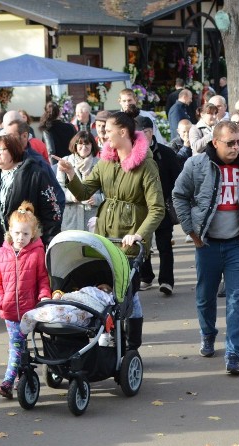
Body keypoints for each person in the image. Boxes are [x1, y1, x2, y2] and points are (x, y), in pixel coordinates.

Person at [57, 111, 165, 352]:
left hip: (130, 239)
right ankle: (107, 337)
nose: (102, 133)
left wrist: (140, 235)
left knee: (128, 292)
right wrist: (71, 174)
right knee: (105, 289)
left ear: (123, 132)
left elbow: (157, 209)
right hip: (106, 235)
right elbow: (84, 193)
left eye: (107, 129)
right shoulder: (106, 161)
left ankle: (132, 344)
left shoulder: (146, 165)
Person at [172, 120, 239, 374]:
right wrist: (191, 232)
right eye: (230, 143)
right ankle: (208, 333)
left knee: (236, 299)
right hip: (208, 243)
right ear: (215, 142)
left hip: (238, 245)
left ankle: (234, 353)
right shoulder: (197, 164)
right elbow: (179, 195)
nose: (236, 147)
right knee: (205, 297)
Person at [0, 134, 62, 296]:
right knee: (2, 287)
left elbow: (51, 209)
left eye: (2, 150)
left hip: (24, 245)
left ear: (14, 151)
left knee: (23, 288)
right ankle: (9, 313)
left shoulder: (34, 173)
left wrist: (48, 240)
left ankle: (20, 317)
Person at [0, 202, 52, 399]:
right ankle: (13, 380)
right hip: (9, 311)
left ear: (33, 233)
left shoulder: (37, 252)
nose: (20, 238)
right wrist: (0, 300)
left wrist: (44, 296)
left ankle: (14, 378)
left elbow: (42, 277)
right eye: (17, 233)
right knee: (17, 345)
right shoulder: (0, 254)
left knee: (18, 345)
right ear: (10, 231)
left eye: (25, 234)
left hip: (29, 310)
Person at [135, 115, 181, 295]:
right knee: (142, 243)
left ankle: (166, 280)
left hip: (162, 207)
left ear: (152, 131)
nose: (142, 137)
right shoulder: (133, 154)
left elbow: (177, 179)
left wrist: (170, 199)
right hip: (141, 208)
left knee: (164, 245)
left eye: (145, 132)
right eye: (138, 133)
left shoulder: (166, 153)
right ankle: (146, 277)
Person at [56, 131, 101, 231]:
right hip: (71, 219)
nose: (84, 147)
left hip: (93, 219)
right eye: (80, 143)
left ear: (92, 145)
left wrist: (97, 198)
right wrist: (71, 196)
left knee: (92, 245)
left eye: (87, 144)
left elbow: (109, 192)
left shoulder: (100, 164)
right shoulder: (65, 161)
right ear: (75, 145)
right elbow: (58, 190)